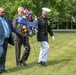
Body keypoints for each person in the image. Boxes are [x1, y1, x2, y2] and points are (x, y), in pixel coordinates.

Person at [0, 7, 21, 73]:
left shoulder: (7, 20)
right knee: (1, 53)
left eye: (4, 12)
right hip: (0, 40)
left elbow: (13, 28)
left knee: (4, 55)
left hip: (6, 40)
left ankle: (2, 68)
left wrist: (21, 33)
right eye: (2, 12)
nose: (4, 13)